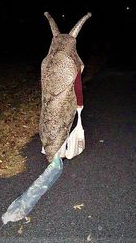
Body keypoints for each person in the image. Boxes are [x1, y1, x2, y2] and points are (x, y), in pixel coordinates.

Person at [39, 12, 91, 162]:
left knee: (48, 121)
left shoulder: (47, 62)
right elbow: (77, 86)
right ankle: (57, 153)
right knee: (62, 124)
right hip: (64, 102)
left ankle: (49, 150)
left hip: (48, 101)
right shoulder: (71, 62)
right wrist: (80, 103)